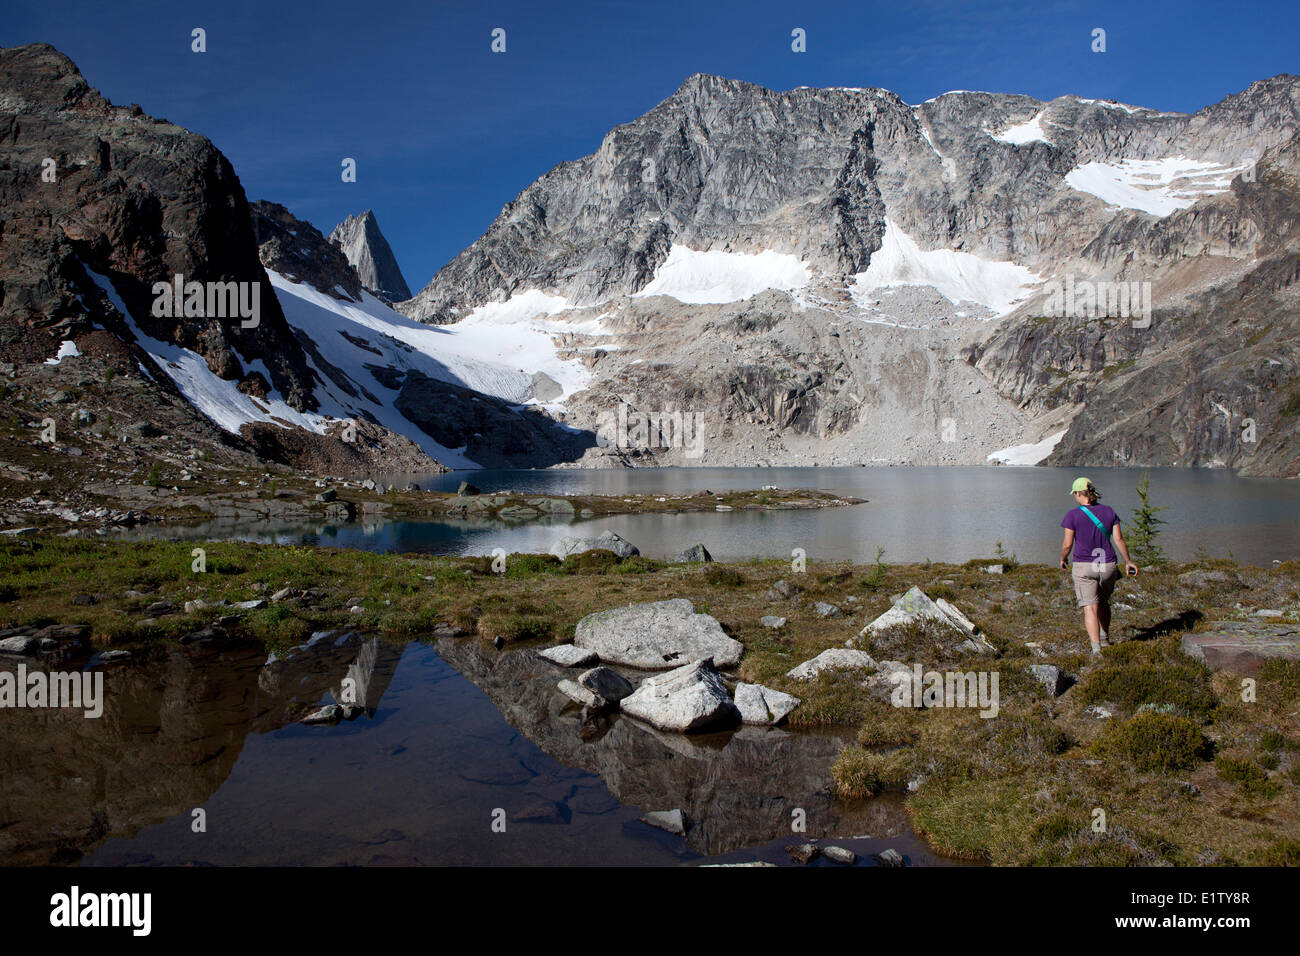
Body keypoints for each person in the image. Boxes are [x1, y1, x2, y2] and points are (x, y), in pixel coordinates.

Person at [1059, 477, 1138, 656]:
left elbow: (1067, 544)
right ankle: (1105, 639)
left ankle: (1096, 649)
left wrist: (1063, 558)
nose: (1075, 497)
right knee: (1103, 602)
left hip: (1084, 566)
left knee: (1090, 607)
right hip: (1107, 565)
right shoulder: (1109, 512)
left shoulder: (1072, 515)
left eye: (1075, 494)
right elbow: (1118, 539)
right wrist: (1128, 561)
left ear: (1080, 494)